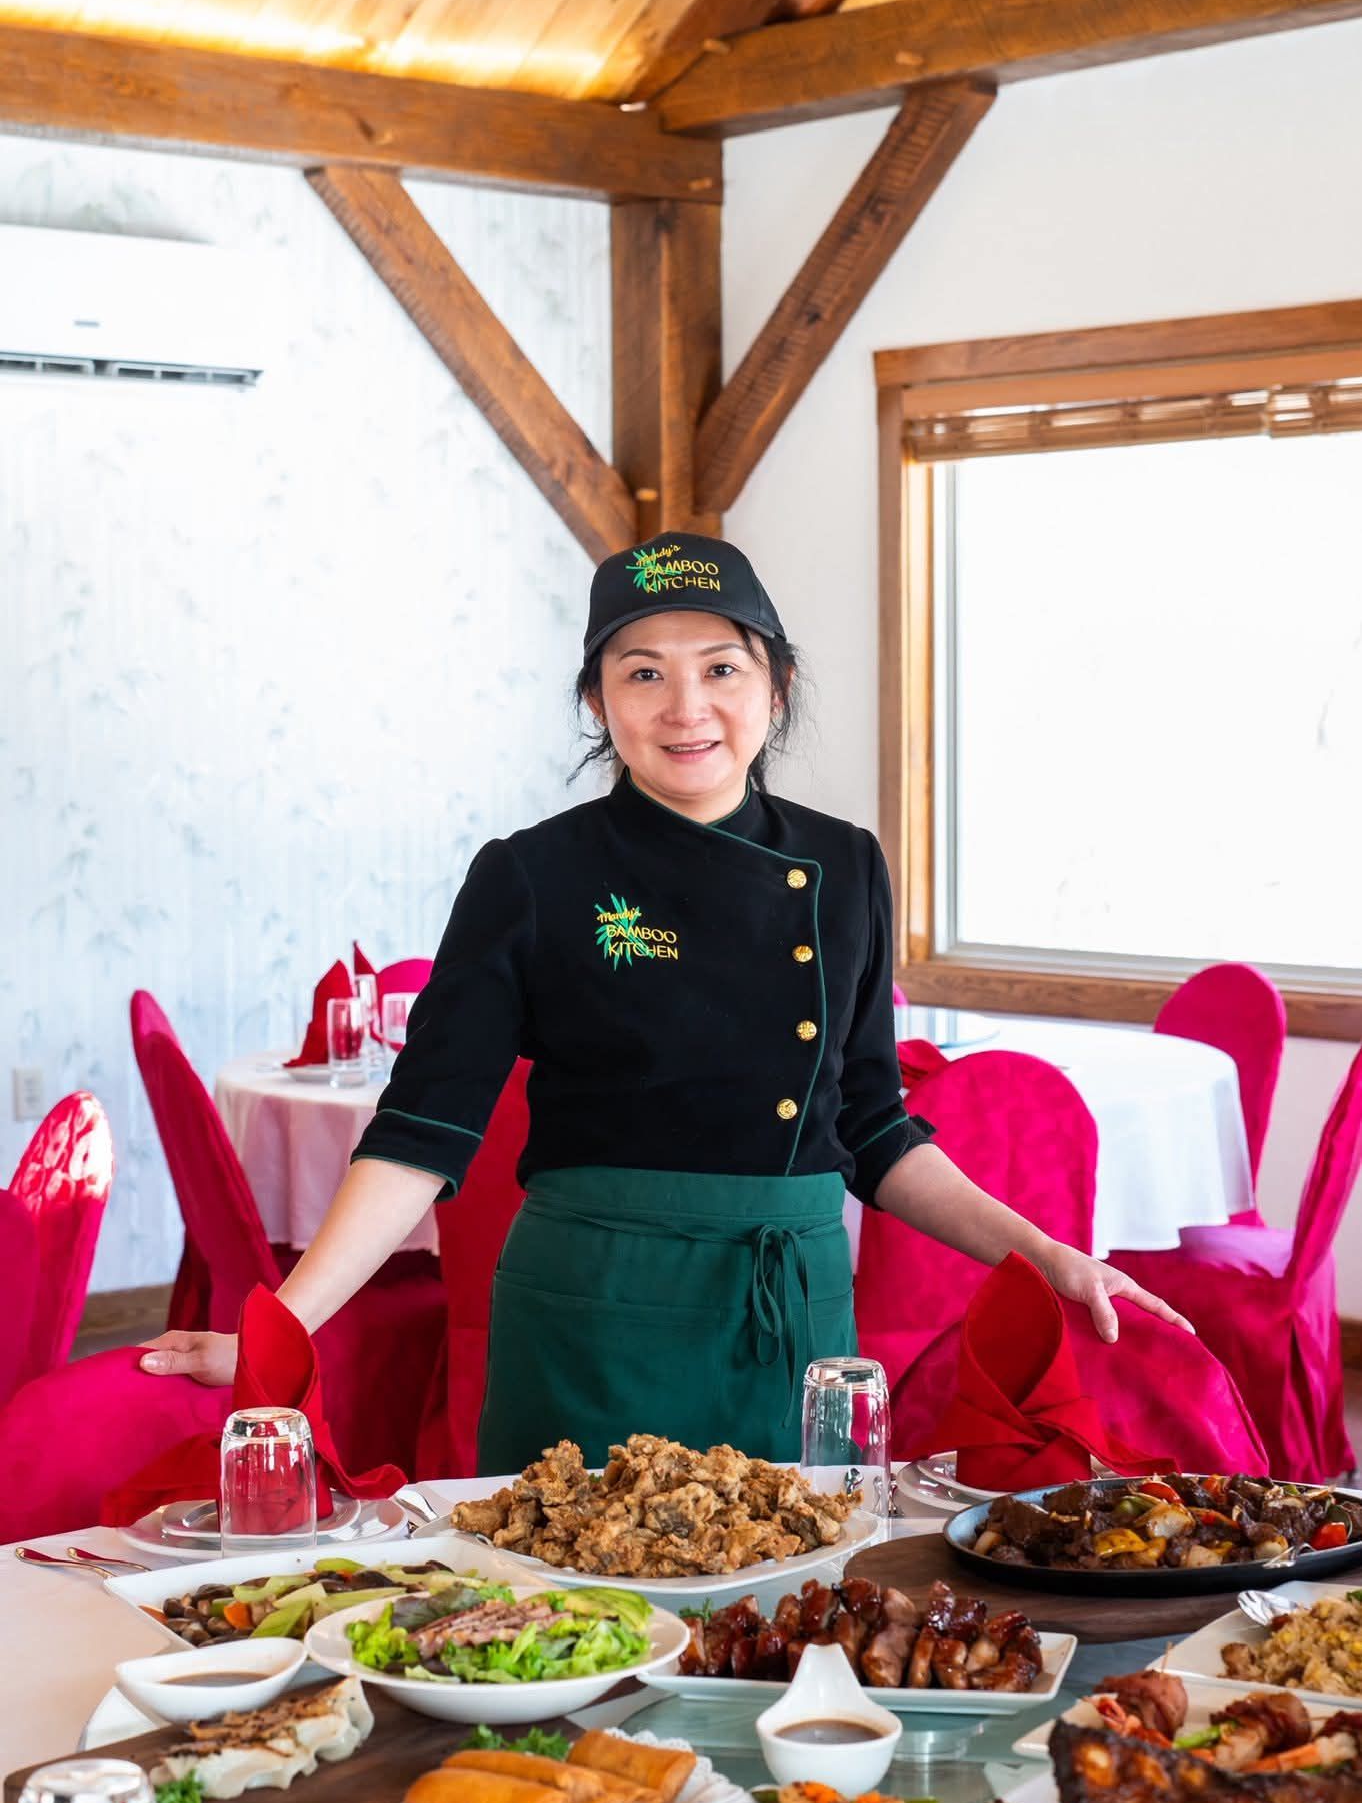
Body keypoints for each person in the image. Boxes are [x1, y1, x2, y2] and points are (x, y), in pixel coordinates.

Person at [139, 533, 1189, 1469]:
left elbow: (872, 1128)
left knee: (784, 1629)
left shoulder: (846, 864)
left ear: (774, 688)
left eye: (721, 669)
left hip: (795, 1322)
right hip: (597, 1316)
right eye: (643, 673)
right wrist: (282, 1328)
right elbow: (421, 1132)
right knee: (574, 1629)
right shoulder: (533, 875)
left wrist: (1050, 1257)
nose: (687, 708)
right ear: (599, 701)